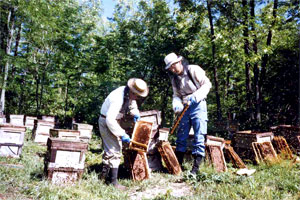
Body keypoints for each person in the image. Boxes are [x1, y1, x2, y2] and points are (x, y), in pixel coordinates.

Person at [164, 52, 212, 174]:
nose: (173, 69)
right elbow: (176, 95)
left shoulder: (193, 69)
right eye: (170, 67)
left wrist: (196, 95)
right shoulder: (174, 79)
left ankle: (195, 169)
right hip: (184, 107)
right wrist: (176, 104)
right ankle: (177, 166)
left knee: (199, 135)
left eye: (174, 65)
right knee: (181, 135)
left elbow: (207, 84)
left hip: (198, 104)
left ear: (179, 62)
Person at [98, 78, 149, 190]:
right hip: (107, 121)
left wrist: (136, 113)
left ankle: (104, 177)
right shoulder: (118, 98)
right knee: (114, 149)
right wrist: (122, 134)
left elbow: (132, 104)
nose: (137, 98)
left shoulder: (127, 92)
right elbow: (110, 120)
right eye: (137, 95)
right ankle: (113, 182)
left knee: (111, 149)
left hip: (113, 120)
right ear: (132, 91)